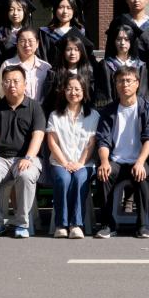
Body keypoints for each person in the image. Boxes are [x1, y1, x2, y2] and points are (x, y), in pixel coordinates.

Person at [0, 65, 46, 239]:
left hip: (27, 157)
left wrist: (28, 158)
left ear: (25, 84)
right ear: (2, 85)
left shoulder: (35, 107)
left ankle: (21, 223)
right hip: (0, 159)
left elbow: (38, 135)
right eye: (7, 81)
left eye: (16, 81)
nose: (11, 85)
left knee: (26, 175)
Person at [94, 67, 149, 239]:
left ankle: (143, 225)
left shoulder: (148, 108)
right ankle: (108, 225)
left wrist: (140, 162)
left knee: (141, 175)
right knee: (104, 174)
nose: (125, 84)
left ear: (137, 83)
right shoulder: (108, 110)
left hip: (139, 159)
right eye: (120, 81)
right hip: (116, 160)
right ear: (115, 84)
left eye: (129, 80)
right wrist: (104, 161)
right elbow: (103, 140)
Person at [46, 74, 99, 239]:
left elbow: (91, 144)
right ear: (63, 91)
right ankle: (61, 225)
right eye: (69, 89)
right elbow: (52, 143)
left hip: (85, 164)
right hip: (59, 163)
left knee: (79, 178)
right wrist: (65, 163)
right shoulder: (55, 115)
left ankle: (76, 224)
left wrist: (80, 163)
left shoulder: (93, 115)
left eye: (77, 89)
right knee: (63, 179)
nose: (73, 92)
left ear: (84, 91)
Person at [95, 23, 149, 107]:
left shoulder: (140, 65)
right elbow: (104, 94)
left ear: (132, 41)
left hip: (135, 110)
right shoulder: (106, 65)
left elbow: (143, 92)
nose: (122, 43)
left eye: (126, 39)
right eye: (118, 39)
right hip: (113, 111)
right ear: (114, 41)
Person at [47, 29, 96, 113]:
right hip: (59, 114)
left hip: (83, 114)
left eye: (77, 49)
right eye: (68, 49)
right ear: (63, 52)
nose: (72, 53)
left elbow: (92, 98)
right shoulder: (54, 73)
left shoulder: (89, 73)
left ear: (82, 52)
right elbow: (48, 99)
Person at [1, 26, 53, 105]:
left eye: (30, 41)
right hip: (15, 110)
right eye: (22, 41)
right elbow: (2, 92)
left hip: (41, 110)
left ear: (37, 43)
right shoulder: (8, 64)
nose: (27, 44)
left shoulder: (46, 67)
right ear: (17, 44)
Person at [39, 0, 91, 64]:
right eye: (61, 7)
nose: (65, 11)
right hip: (52, 70)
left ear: (74, 11)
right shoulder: (45, 33)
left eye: (69, 8)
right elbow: (43, 57)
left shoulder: (80, 32)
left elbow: (85, 57)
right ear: (55, 10)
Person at [0, 0, 35, 66]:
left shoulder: (31, 33)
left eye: (19, 10)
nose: (15, 13)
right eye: (11, 10)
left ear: (24, 12)